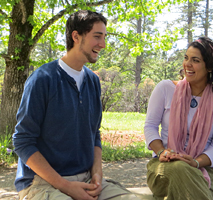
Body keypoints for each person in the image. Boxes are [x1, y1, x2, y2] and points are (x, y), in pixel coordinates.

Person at [13, 10, 140, 200]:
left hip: (86, 179)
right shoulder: (42, 79)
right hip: (41, 183)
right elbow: (22, 142)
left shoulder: (93, 81)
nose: (103, 45)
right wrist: (67, 187)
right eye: (97, 37)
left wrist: (97, 174)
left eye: (104, 37)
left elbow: (94, 133)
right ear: (76, 36)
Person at [144, 36, 213, 200]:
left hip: (205, 172)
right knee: (179, 167)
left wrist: (195, 162)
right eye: (186, 58)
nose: (188, 64)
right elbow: (150, 127)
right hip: (163, 166)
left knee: (183, 170)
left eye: (195, 60)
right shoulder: (165, 88)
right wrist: (161, 151)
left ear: (209, 66)